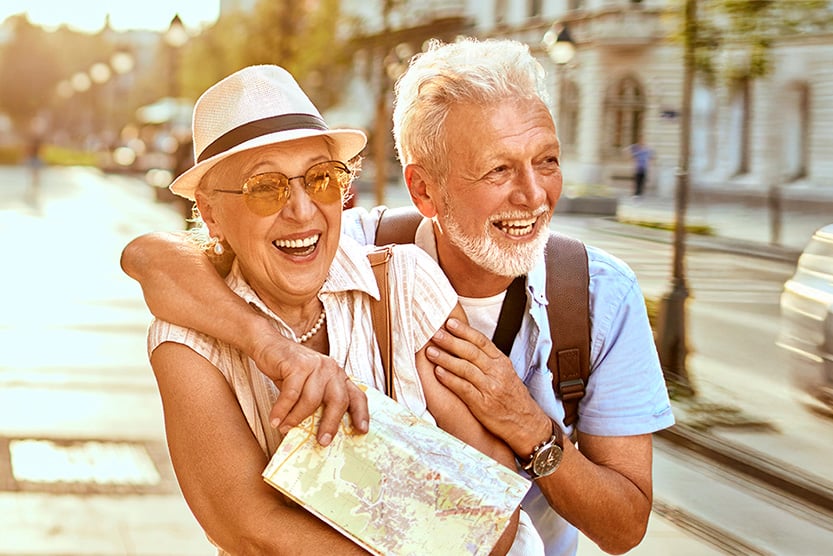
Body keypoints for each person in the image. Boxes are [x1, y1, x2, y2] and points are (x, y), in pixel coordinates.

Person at [121, 38, 675, 556]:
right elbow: (149, 257)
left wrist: (531, 430)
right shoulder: (355, 251)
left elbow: (513, 518)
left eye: (319, 180)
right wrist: (276, 349)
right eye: (498, 169)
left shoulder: (413, 278)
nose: (532, 195)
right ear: (423, 189)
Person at [135, 64, 534, 555]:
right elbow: (248, 528)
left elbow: (491, 492)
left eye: (321, 179)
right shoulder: (188, 345)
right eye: (266, 188)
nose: (303, 210)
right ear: (212, 212)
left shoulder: (406, 283)